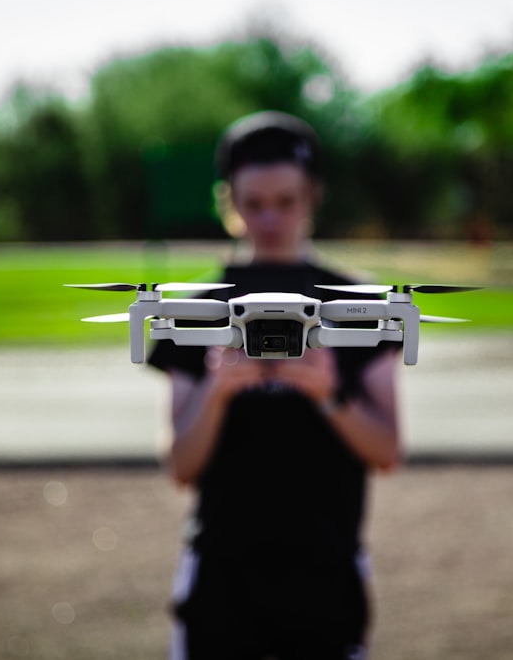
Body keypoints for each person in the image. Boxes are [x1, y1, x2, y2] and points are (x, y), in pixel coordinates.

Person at [148, 111, 401, 660]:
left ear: (313, 195)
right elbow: (181, 466)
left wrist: (328, 394)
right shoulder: (192, 310)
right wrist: (217, 392)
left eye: (285, 202)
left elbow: (386, 451)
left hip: (326, 573)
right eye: (252, 203)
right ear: (228, 200)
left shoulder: (364, 306)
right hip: (222, 575)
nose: (269, 219)